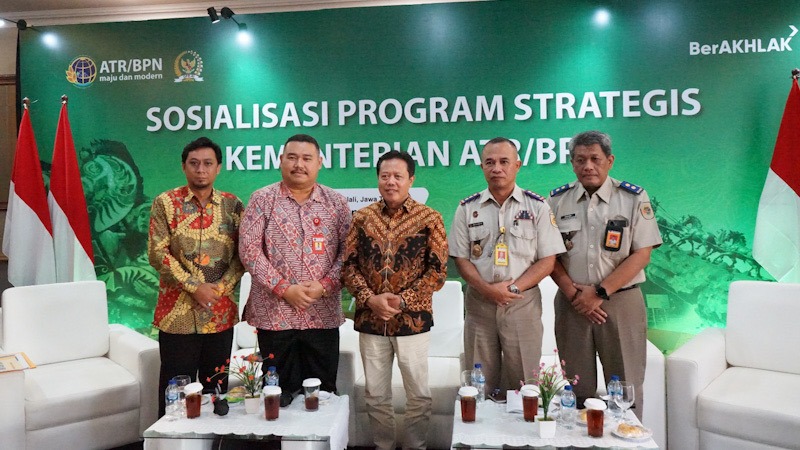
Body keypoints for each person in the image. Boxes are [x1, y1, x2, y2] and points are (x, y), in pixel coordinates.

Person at [547, 130, 662, 420]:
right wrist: (576, 295)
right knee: (576, 389)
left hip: (620, 303)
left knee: (624, 390)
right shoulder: (556, 201)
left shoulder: (633, 198)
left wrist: (599, 293)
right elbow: (550, 257)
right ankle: (578, 438)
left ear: (609, 161)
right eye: (580, 160)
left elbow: (642, 254)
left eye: (595, 159)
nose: (588, 166)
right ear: (572, 163)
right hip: (573, 304)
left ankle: (626, 436)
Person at [342, 150, 448, 450]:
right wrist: (370, 299)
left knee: (418, 395)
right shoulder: (362, 218)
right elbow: (348, 266)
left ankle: (415, 446)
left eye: (398, 176)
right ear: (378, 179)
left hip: (412, 321)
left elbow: (437, 272)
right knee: (375, 394)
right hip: (371, 320)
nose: (391, 182)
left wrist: (402, 301)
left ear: (410, 179)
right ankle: (383, 446)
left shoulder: (429, 219)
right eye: (385, 176)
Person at [239, 134, 350, 406]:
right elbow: (249, 251)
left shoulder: (336, 203)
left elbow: (348, 254)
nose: (299, 164)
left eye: (306, 158)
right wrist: (284, 289)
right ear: (281, 160)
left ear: (319, 163)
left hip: (321, 315)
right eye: (292, 157)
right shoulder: (262, 200)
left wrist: (325, 285)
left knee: (322, 396)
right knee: (278, 394)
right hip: (275, 316)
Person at [449, 137, 565, 395]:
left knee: (524, 383)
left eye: (504, 162)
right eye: (490, 162)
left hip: (522, 303)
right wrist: (487, 289)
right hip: (480, 304)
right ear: (482, 166)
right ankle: (480, 423)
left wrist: (511, 289)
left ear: (517, 165)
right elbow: (461, 259)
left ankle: (522, 424)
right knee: (479, 383)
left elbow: (548, 260)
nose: (497, 168)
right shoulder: (467, 208)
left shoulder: (537, 207)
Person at [148, 136, 245, 417]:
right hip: (177, 315)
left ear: (218, 168)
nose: (200, 170)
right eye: (194, 163)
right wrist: (194, 287)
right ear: (183, 166)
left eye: (207, 163)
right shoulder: (166, 203)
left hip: (219, 313)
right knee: (176, 391)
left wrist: (218, 289)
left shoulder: (233, 205)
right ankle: (172, 439)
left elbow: (243, 255)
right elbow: (157, 253)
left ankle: (215, 438)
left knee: (217, 390)